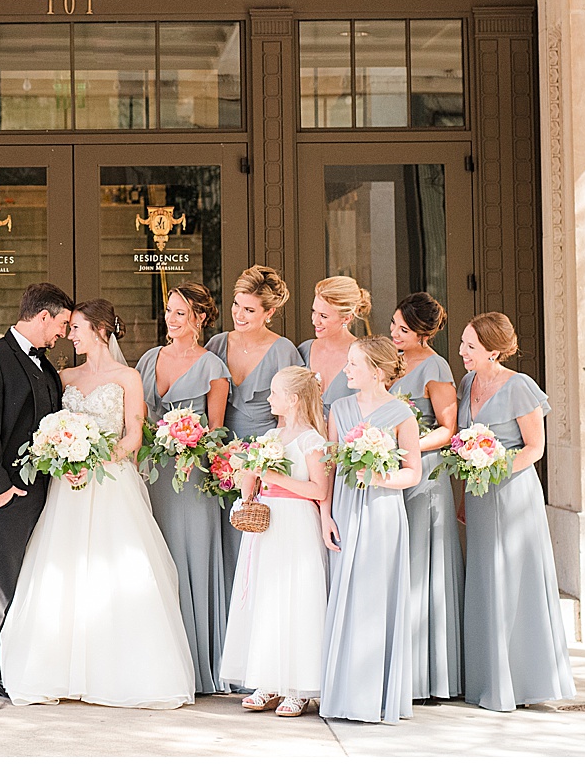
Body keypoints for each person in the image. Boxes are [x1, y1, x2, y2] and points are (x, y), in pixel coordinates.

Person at [0, 299, 195, 710]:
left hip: (110, 483)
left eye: (78, 329)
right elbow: (49, 427)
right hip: (66, 487)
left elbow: (133, 437)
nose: (70, 335)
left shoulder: (128, 378)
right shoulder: (63, 375)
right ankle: (55, 668)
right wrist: (62, 458)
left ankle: (119, 672)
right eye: (68, 328)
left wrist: (95, 461)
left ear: (101, 331)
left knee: (117, 571)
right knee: (63, 570)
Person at [457, 312, 574, 712]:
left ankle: (521, 682)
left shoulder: (521, 386)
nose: (462, 352)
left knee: (512, 581)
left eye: (470, 346)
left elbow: (534, 449)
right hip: (477, 495)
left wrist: (493, 466)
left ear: (493, 351)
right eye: (463, 343)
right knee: (485, 580)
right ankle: (486, 679)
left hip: (512, 494)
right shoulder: (467, 383)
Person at [0, 281, 73, 699]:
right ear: (42, 316)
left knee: (30, 581)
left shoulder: (46, 365)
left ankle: (25, 660)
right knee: (2, 583)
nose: (63, 332)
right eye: (61, 323)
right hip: (8, 493)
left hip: (42, 492)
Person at [221, 365, 334, 717]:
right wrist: (247, 476)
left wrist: (272, 475)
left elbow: (319, 490)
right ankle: (267, 680)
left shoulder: (312, 441)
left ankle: (299, 687)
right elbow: (256, 482)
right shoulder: (272, 437)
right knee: (267, 598)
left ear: (294, 399)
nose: (268, 399)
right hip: (267, 523)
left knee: (296, 598)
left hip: (297, 523)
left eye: (273, 393)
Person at [135, 283, 232, 695]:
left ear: (200, 319)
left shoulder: (213, 367)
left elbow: (217, 431)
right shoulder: (147, 359)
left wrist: (191, 442)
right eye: (169, 311)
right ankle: (153, 662)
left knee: (189, 560)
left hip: (191, 478)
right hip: (151, 474)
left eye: (180, 313)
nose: (171, 320)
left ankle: (196, 665)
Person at [321, 335, 422, 725]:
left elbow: (412, 472)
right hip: (344, 511)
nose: (345, 369)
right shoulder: (339, 409)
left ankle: (376, 697)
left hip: (382, 514)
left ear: (376, 372)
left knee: (376, 599)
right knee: (344, 598)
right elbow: (328, 466)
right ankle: (343, 694)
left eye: (353, 364)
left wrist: (378, 476)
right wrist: (326, 515)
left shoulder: (401, 414)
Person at [389, 292, 462, 702]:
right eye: (394, 324)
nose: (395, 333)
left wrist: (409, 448)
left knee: (422, 567)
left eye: (403, 329)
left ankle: (425, 676)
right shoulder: (391, 359)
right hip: (392, 471)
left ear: (423, 333)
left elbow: (447, 429)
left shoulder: (436, 367)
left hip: (424, 476)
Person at [207, 265, 300, 586]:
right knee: (225, 534)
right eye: (236, 305)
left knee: (259, 536)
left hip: (266, 458)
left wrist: (270, 462)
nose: (239, 314)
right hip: (220, 459)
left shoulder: (284, 351)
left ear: (269, 312)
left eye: (249, 309)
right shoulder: (217, 344)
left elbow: (292, 416)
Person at [302, 275, 371, 419]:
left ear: (346, 318)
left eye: (323, 316)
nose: (315, 321)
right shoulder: (303, 350)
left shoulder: (365, 355)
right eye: (314, 311)